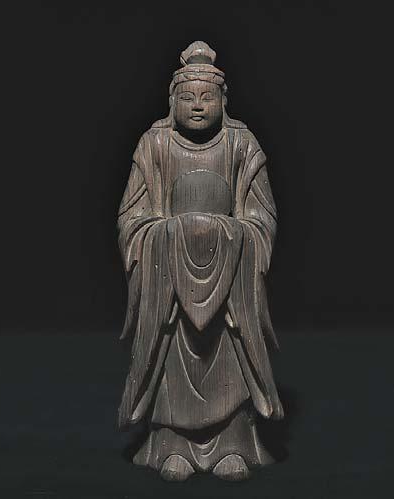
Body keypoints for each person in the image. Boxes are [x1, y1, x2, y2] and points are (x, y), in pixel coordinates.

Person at [117, 41, 283, 481]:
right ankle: (172, 445)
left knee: (228, 354)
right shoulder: (154, 144)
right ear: (171, 99)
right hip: (169, 284)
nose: (197, 105)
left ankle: (232, 443)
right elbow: (131, 219)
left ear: (223, 100)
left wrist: (228, 236)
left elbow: (262, 218)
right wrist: (171, 235)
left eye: (207, 97)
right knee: (170, 354)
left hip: (230, 289)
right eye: (187, 97)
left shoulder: (242, 145)